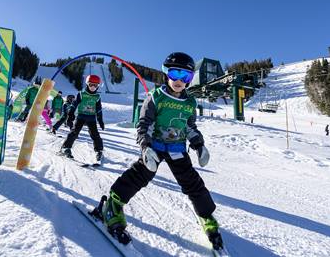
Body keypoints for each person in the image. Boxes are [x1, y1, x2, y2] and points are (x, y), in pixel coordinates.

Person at [99, 52, 223, 249]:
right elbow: (144, 124)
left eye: (186, 77)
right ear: (166, 73)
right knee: (141, 174)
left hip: (177, 147)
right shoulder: (155, 98)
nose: (179, 81)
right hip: (155, 145)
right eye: (175, 74)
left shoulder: (190, 103)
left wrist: (199, 145)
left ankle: (206, 215)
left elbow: (189, 127)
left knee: (191, 181)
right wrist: (146, 147)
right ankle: (113, 205)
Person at [60, 75, 105, 161]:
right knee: (74, 132)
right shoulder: (81, 94)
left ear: (98, 86)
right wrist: (70, 115)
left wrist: (100, 120)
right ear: (87, 84)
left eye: (95, 85)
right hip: (81, 116)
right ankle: (66, 148)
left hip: (91, 118)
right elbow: (74, 104)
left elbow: (99, 110)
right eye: (91, 84)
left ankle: (99, 151)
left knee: (95, 134)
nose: (93, 87)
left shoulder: (97, 97)